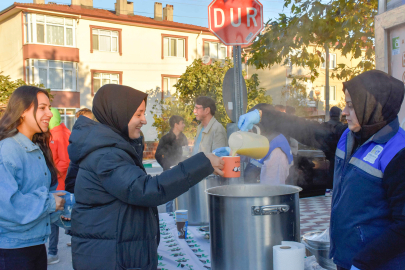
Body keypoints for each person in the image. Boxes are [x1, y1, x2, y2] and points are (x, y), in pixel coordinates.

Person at [238, 70, 405, 270]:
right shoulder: (348, 136)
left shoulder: (397, 152)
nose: (344, 112)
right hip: (347, 259)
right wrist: (263, 115)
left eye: (351, 106)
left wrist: (363, 263)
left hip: (377, 264)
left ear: (372, 107)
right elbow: (306, 129)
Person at [69, 84, 224, 270]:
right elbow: (147, 189)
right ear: (118, 113)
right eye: (138, 114)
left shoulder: (112, 147)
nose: (144, 120)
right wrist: (203, 162)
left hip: (116, 250)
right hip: (110, 257)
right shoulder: (106, 154)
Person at [0, 86, 65, 270]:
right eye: (42, 107)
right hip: (13, 251)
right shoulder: (8, 149)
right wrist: (50, 203)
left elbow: (37, 193)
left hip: (35, 245)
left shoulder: (35, 147)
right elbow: (7, 206)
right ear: (22, 111)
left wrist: (60, 207)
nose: (50, 113)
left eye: (49, 107)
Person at [47, 108, 72, 264]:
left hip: (58, 183)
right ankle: (75, 238)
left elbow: (64, 161)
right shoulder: (60, 132)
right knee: (65, 215)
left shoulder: (58, 134)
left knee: (54, 218)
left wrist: (51, 176)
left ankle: (52, 252)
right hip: (59, 182)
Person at [155, 115, 188, 212]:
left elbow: (186, 153)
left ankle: (182, 215)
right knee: (169, 197)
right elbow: (157, 155)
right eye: (182, 123)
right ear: (176, 124)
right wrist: (165, 165)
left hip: (181, 171)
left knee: (182, 195)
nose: (184, 125)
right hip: (169, 171)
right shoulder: (165, 139)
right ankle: (169, 216)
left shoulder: (183, 138)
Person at [324, 106, 345, 191]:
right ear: (339, 115)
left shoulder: (324, 126)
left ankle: (329, 189)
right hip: (338, 154)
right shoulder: (341, 127)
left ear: (330, 114)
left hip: (327, 152)